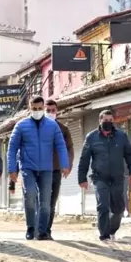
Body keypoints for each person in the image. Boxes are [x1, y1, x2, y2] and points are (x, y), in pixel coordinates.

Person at [8, 95, 70, 240]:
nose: (37, 111)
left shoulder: (52, 125)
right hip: (27, 167)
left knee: (45, 201)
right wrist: (12, 169)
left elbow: (61, 145)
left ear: (43, 108)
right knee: (29, 195)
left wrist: (64, 164)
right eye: (34, 109)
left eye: (40, 108)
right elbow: (12, 148)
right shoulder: (21, 126)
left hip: (46, 168)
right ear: (30, 109)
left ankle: (42, 231)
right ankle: (31, 228)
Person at [78, 110, 131, 241]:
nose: (108, 123)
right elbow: (84, 159)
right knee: (103, 205)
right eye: (106, 120)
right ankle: (103, 234)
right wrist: (81, 178)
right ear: (100, 121)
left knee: (119, 209)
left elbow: (129, 155)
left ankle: (111, 229)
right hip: (100, 178)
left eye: (111, 120)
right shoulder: (91, 137)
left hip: (118, 178)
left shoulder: (121, 136)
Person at [44, 99, 74, 240]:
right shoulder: (35, 127)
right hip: (39, 170)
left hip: (55, 170)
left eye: (53, 110)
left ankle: (47, 230)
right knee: (40, 200)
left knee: (51, 201)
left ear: (57, 111)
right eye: (48, 110)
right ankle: (37, 228)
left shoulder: (63, 129)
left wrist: (67, 165)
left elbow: (69, 148)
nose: (50, 113)